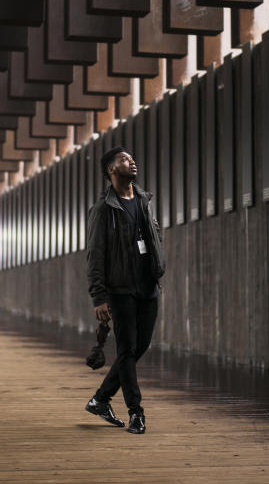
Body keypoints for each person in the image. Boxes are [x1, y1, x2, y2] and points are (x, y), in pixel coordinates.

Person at [85, 147, 165, 435]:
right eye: (124, 159)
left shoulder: (144, 200)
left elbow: (155, 235)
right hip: (120, 289)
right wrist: (99, 296)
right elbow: (95, 255)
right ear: (111, 170)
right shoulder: (104, 209)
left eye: (132, 158)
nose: (132, 161)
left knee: (139, 347)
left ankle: (101, 399)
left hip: (148, 286)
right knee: (127, 350)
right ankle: (136, 412)